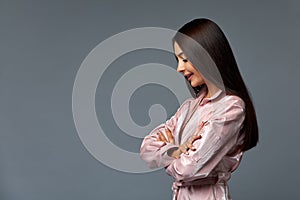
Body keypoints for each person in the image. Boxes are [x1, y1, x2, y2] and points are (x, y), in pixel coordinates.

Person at [140, 18, 259, 200]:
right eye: (177, 59)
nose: (179, 68)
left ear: (207, 56)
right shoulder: (189, 107)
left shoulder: (231, 109)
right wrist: (177, 151)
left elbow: (187, 169)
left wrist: (166, 154)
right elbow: (146, 150)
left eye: (185, 59)